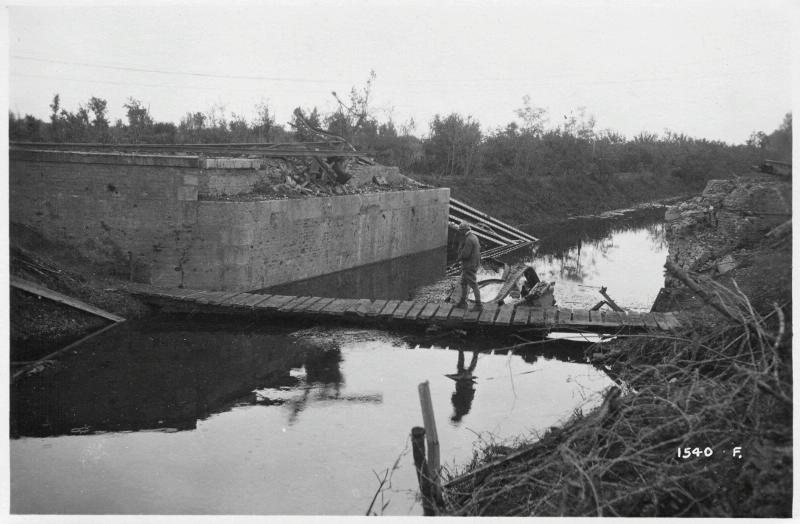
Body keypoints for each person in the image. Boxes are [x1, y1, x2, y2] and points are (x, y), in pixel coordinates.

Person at [455, 222, 482, 311]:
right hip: (474, 263)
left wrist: (458, 259)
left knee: (473, 284)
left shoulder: (469, 239)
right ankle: (463, 302)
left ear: (465, 230)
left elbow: (465, 255)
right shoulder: (474, 237)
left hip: (469, 265)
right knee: (463, 282)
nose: (460, 232)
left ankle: (478, 305)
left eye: (461, 230)